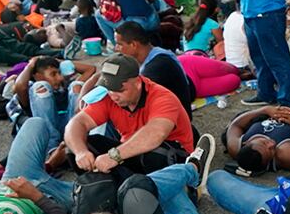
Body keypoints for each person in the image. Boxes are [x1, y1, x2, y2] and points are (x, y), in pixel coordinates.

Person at [63, 52, 195, 178]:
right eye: (109, 89)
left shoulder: (162, 97)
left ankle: (178, 189)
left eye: (120, 90)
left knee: (155, 154)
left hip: (173, 156)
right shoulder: (109, 97)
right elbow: (76, 123)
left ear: (137, 83)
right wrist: (81, 152)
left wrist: (114, 156)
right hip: (130, 154)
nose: (113, 96)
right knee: (76, 144)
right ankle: (105, 193)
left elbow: (156, 134)